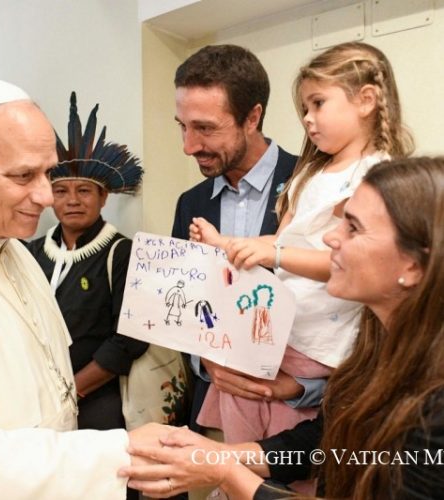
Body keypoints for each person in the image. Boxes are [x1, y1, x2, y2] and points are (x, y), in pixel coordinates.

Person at [119, 156, 444, 499]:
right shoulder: (374, 350)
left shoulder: (435, 408)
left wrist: (224, 471)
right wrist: (218, 455)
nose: (330, 237)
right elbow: (325, 447)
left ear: (413, 264)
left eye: (353, 228)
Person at [188, 42, 414, 454]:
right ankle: (235, 470)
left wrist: (273, 256)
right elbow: (282, 240)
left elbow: (347, 260)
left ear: (366, 100)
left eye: (318, 104)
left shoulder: (375, 175)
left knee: (290, 435)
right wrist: (226, 244)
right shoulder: (310, 172)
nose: (307, 118)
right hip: (283, 324)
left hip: (321, 338)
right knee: (240, 396)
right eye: (304, 109)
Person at [0, 78, 164, 499]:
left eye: (48, 173)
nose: (48, 197)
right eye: (24, 175)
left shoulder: (18, 252)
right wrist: (119, 451)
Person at [171, 43, 317, 436]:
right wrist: (206, 363)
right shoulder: (191, 203)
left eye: (205, 128)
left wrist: (306, 387)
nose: (188, 146)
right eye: (182, 126)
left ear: (252, 118)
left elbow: (344, 307)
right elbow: (182, 306)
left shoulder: (313, 185)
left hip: (305, 424)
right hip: (215, 417)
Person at [27, 92, 149, 433]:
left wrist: (72, 391)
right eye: (61, 191)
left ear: (103, 197)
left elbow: (128, 340)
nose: (72, 201)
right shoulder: (31, 253)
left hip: (98, 402)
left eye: (84, 191)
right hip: (37, 399)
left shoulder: (122, 253)